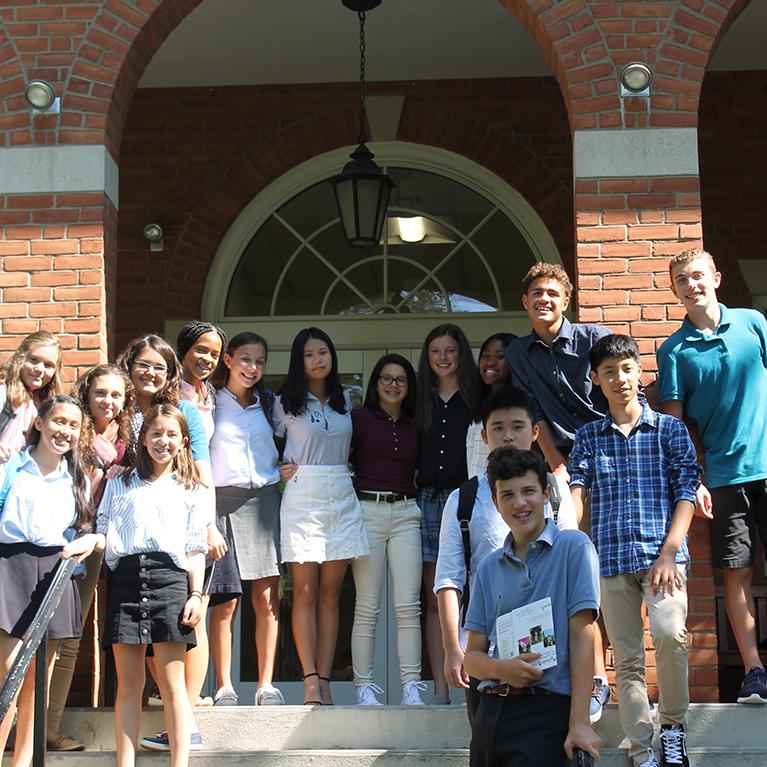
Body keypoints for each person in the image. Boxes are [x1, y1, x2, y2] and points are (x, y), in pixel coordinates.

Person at [570, 334, 700, 767]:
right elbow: (578, 492)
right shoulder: (589, 436)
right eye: (609, 372)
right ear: (596, 379)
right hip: (609, 560)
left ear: (638, 371)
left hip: (663, 559)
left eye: (626, 369)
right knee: (626, 660)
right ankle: (642, 749)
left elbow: (685, 491)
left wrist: (670, 552)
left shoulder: (668, 429)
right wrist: (569, 537)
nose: (619, 379)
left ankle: (673, 729)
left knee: (670, 635)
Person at [657, 248, 767, 705]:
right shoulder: (673, 351)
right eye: (682, 279)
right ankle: (755, 671)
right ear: (675, 290)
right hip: (721, 478)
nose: (691, 284)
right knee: (736, 575)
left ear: (716, 278)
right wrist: (694, 479)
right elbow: (676, 428)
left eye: (698, 275)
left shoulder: (753, 322)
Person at [505, 262, 613, 720]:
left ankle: (605, 672)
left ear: (565, 300)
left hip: (610, 456)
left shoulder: (593, 339)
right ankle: (582, 674)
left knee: (610, 566)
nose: (543, 300)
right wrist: (557, 466)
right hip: (564, 467)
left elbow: (626, 397)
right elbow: (535, 414)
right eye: (535, 294)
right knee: (568, 565)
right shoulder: (519, 353)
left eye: (552, 293)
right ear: (525, 303)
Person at [435, 387, 578, 721]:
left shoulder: (555, 496)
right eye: (498, 428)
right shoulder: (463, 499)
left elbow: (571, 576)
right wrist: (453, 649)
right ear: (484, 435)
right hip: (485, 653)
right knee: (489, 741)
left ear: (535, 433)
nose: (508, 437)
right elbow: (448, 580)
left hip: (551, 653)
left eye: (517, 427)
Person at [117, 335, 224, 750]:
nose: (150, 372)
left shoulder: (182, 413)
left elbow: (201, 472)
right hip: (131, 534)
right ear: (130, 366)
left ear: (169, 372)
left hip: (180, 528)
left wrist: (209, 526)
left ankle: (186, 722)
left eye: (159, 367)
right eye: (143, 364)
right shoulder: (120, 409)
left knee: (184, 620)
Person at [463, 448, 601, 767]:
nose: (519, 503)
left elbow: (583, 636)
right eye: (507, 495)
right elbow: (472, 658)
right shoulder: (488, 569)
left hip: (548, 713)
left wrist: (579, 721)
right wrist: (502, 669)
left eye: (528, 491)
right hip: (491, 716)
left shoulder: (574, 548)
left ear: (546, 493)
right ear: (496, 503)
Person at [92, 404, 208, 767]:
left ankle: (180, 763)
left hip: (170, 582)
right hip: (125, 580)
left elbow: (195, 548)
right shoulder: (119, 482)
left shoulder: (192, 488)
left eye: (172, 434)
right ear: (143, 439)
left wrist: (195, 594)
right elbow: (103, 530)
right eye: (156, 433)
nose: (163, 441)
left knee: (173, 685)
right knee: (129, 685)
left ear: (184, 442)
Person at [274, 327, 369, 706]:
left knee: (332, 595)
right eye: (310, 354)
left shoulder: (348, 399)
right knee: (306, 592)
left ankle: (326, 678)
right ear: (300, 361)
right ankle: (309, 678)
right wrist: (276, 467)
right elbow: (262, 446)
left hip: (341, 492)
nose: (318, 359)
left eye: (323, 352)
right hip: (302, 495)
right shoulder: (282, 403)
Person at [0, 395, 96, 766]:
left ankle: (23, 761)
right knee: (11, 671)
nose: (65, 431)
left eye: (73, 425)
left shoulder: (78, 478)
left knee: (38, 679)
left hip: (55, 571)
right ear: (39, 423)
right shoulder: (11, 467)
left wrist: (90, 541)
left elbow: (87, 528)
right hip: (11, 566)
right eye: (58, 421)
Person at [46, 364, 135, 752]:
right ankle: (25, 721)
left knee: (70, 635)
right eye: (101, 393)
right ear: (88, 393)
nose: (108, 401)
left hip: (100, 542)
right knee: (40, 633)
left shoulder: (129, 439)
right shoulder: (71, 429)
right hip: (59, 536)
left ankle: (47, 725)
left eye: (116, 395)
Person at [208, 331, 284, 706]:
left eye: (259, 362)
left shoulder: (271, 404)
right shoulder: (210, 402)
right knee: (225, 599)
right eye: (245, 359)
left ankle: (265, 684)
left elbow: (293, 439)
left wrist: (289, 468)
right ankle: (224, 685)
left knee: (266, 597)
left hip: (265, 501)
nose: (252, 368)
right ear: (228, 360)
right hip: (220, 501)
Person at [350, 354, 425, 706]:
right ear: (375, 383)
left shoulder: (416, 423)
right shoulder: (359, 420)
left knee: (409, 605)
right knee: (367, 606)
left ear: (409, 387)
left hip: (407, 512)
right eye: (386, 378)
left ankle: (411, 686)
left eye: (401, 380)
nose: (393, 385)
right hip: (366, 512)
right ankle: (363, 687)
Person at [175, 322, 241, 709]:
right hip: (179, 503)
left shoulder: (211, 395)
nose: (206, 358)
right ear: (183, 349)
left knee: (207, 598)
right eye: (200, 349)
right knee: (183, 598)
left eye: (214, 354)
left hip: (204, 499)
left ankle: (191, 690)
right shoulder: (171, 393)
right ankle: (171, 691)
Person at [415, 323, 478, 704]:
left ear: (460, 354)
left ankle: (475, 678)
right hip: (426, 500)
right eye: (435, 351)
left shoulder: (476, 397)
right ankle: (440, 687)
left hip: (466, 501)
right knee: (435, 595)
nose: (442, 357)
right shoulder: (418, 398)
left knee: (471, 591)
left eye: (450, 350)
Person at [0, 331, 64, 461]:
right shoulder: (4, 393)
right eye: (33, 360)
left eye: (48, 365)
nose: (40, 369)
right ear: (20, 359)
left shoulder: (48, 407)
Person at [465, 332, 516, 479]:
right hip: (478, 494)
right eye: (486, 356)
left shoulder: (518, 408)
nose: (490, 362)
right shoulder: (477, 402)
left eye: (500, 357)